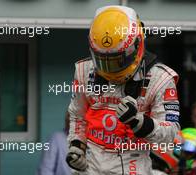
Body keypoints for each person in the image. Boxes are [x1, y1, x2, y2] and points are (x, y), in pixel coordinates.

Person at [66, 5, 181, 175]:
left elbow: (170, 132)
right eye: (102, 60)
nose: (109, 68)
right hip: (91, 166)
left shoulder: (160, 78)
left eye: (116, 61)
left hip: (133, 166)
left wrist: (138, 122)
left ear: (136, 46)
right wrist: (77, 146)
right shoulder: (84, 70)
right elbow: (78, 115)